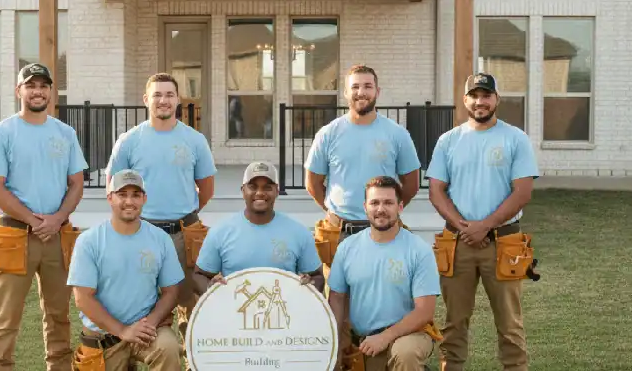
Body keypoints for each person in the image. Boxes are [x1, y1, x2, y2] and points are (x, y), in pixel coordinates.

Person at [0, 63, 89, 371]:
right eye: (31, 85)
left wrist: (57, 219)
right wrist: (33, 219)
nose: (37, 91)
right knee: (5, 318)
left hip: (57, 237)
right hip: (14, 237)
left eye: (43, 85)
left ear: (51, 91)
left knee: (58, 316)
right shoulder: (1, 133)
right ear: (19, 91)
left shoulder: (65, 133)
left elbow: (77, 183)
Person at [427, 73, 540, 371]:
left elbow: (523, 191)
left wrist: (485, 225)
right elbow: (436, 191)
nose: (480, 101)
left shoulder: (515, 138)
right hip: (458, 243)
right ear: (465, 100)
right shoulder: (448, 141)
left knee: (510, 323)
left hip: (504, 243)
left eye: (486, 95)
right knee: (454, 323)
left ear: (496, 99)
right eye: (474, 95)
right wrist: (465, 226)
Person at [106, 73, 217, 358]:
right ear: (146, 100)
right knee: (135, 302)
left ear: (178, 100)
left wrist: (181, 214)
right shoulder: (129, 141)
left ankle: (195, 360)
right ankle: (128, 359)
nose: (163, 100)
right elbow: (113, 186)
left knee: (192, 304)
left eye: (169, 94)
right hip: (141, 234)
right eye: (157, 95)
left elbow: (206, 189)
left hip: (184, 233)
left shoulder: (194, 140)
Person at [68, 169, 184, 371]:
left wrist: (150, 324)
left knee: (168, 347)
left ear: (144, 199)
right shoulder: (89, 241)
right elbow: (83, 298)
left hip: (147, 331)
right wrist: (122, 330)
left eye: (135, 195)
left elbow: (171, 291)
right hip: (104, 335)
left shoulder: (160, 239)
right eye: (122, 194)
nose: (129, 201)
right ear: (110, 198)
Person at [305, 64, 422, 264]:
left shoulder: (397, 134)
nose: (361, 92)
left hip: (384, 231)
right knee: (338, 294)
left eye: (367, 86)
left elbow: (411, 183)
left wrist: (388, 210)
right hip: (338, 233)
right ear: (345, 93)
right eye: (355, 87)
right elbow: (313, 183)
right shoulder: (328, 134)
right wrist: (334, 212)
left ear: (377, 91)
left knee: (385, 292)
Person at [327, 176, 442, 371]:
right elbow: (337, 298)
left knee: (405, 354)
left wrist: (385, 337)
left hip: (410, 334)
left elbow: (424, 311)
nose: (381, 209)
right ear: (365, 207)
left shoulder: (418, 250)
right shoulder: (347, 248)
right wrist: (336, 345)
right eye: (375, 202)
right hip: (364, 340)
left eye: (388, 202)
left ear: (400, 206)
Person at [192, 161, 325, 294]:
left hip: (283, 311)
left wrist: (309, 285)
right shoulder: (220, 232)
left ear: (277, 191)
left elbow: (317, 277)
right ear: (243, 191)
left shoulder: (299, 232)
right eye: (253, 187)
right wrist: (212, 288)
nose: (260, 193)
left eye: (267, 187)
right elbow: (199, 276)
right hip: (235, 312)